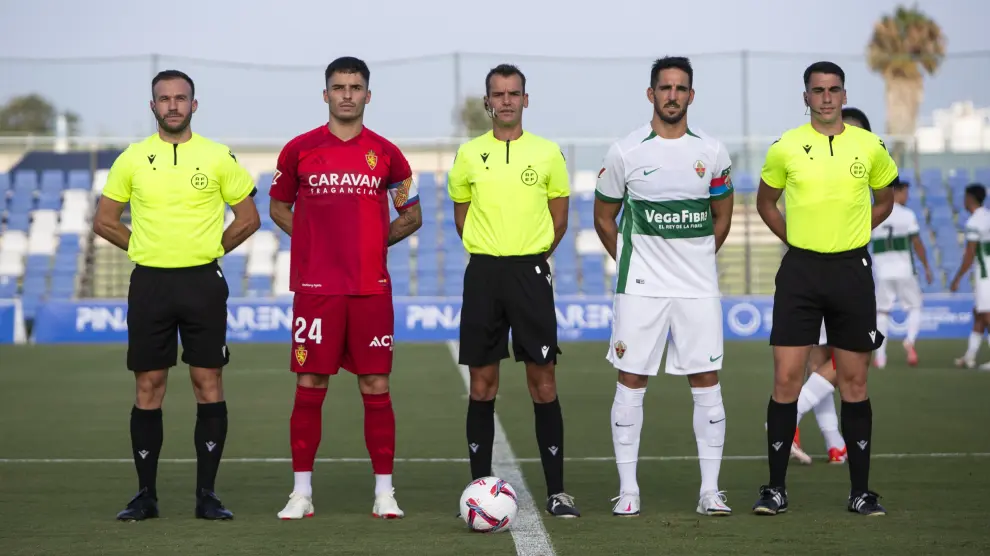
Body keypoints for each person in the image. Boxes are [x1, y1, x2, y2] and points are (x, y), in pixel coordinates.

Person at [94, 69, 262, 521]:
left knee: (208, 383)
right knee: (149, 386)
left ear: (194, 104)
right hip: (150, 284)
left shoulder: (216, 156)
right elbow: (104, 219)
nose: (172, 105)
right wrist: (146, 249)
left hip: (202, 283)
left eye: (180, 98)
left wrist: (208, 251)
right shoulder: (132, 158)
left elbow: (248, 217)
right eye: (164, 98)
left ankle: (207, 495)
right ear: (153, 106)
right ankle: (145, 496)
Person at [269, 56, 422, 520]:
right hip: (317, 289)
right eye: (339, 87)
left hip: (370, 289)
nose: (348, 94)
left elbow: (411, 215)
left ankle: (384, 493)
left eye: (356, 87)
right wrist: (316, 245)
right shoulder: (298, 150)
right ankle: (301, 494)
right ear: (326, 95)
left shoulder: (389, 154)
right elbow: (277, 207)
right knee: (309, 382)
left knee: (376, 384)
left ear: (368, 95)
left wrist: (375, 244)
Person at [753, 61, 898, 517]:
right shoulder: (786, 147)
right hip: (800, 272)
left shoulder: (870, 145)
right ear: (806, 98)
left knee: (854, 381)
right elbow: (765, 202)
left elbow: (886, 198)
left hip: (852, 271)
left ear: (844, 93)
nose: (827, 98)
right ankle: (775, 489)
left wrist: (855, 232)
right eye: (818, 91)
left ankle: (860, 493)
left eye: (834, 89)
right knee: (786, 380)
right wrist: (796, 240)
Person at [593, 56, 734, 517]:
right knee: (631, 380)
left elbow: (723, 214)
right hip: (641, 289)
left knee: (706, 381)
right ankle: (628, 491)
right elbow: (603, 215)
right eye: (665, 88)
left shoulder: (712, 152)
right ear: (650, 94)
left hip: (698, 289)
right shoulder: (625, 151)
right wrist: (634, 265)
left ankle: (710, 491)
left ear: (692, 95)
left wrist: (696, 261)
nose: (672, 95)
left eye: (681, 88)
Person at [447, 63, 579, 518]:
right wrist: (491, 253)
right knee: (482, 385)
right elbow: (462, 217)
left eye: (513, 93)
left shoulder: (547, 154)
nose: (505, 100)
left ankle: (558, 491)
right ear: (487, 102)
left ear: (526, 100)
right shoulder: (467, 155)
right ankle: (478, 491)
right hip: (483, 275)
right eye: (497, 94)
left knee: (543, 382)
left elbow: (559, 221)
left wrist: (528, 256)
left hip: (530, 275)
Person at [788, 106, 878, 466]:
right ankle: (786, 417)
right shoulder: (813, 174)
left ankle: (834, 443)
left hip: (856, 276)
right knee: (841, 363)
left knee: (827, 362)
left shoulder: (867, 176)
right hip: (821, 278)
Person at [950, 183, 990, 369]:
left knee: (986, 314)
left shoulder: (974, 222)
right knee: (979, 315)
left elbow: (970, 254)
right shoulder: (987, 217)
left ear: (970, 198)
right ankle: (970, 356)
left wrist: (957, 278)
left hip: (985, 274)